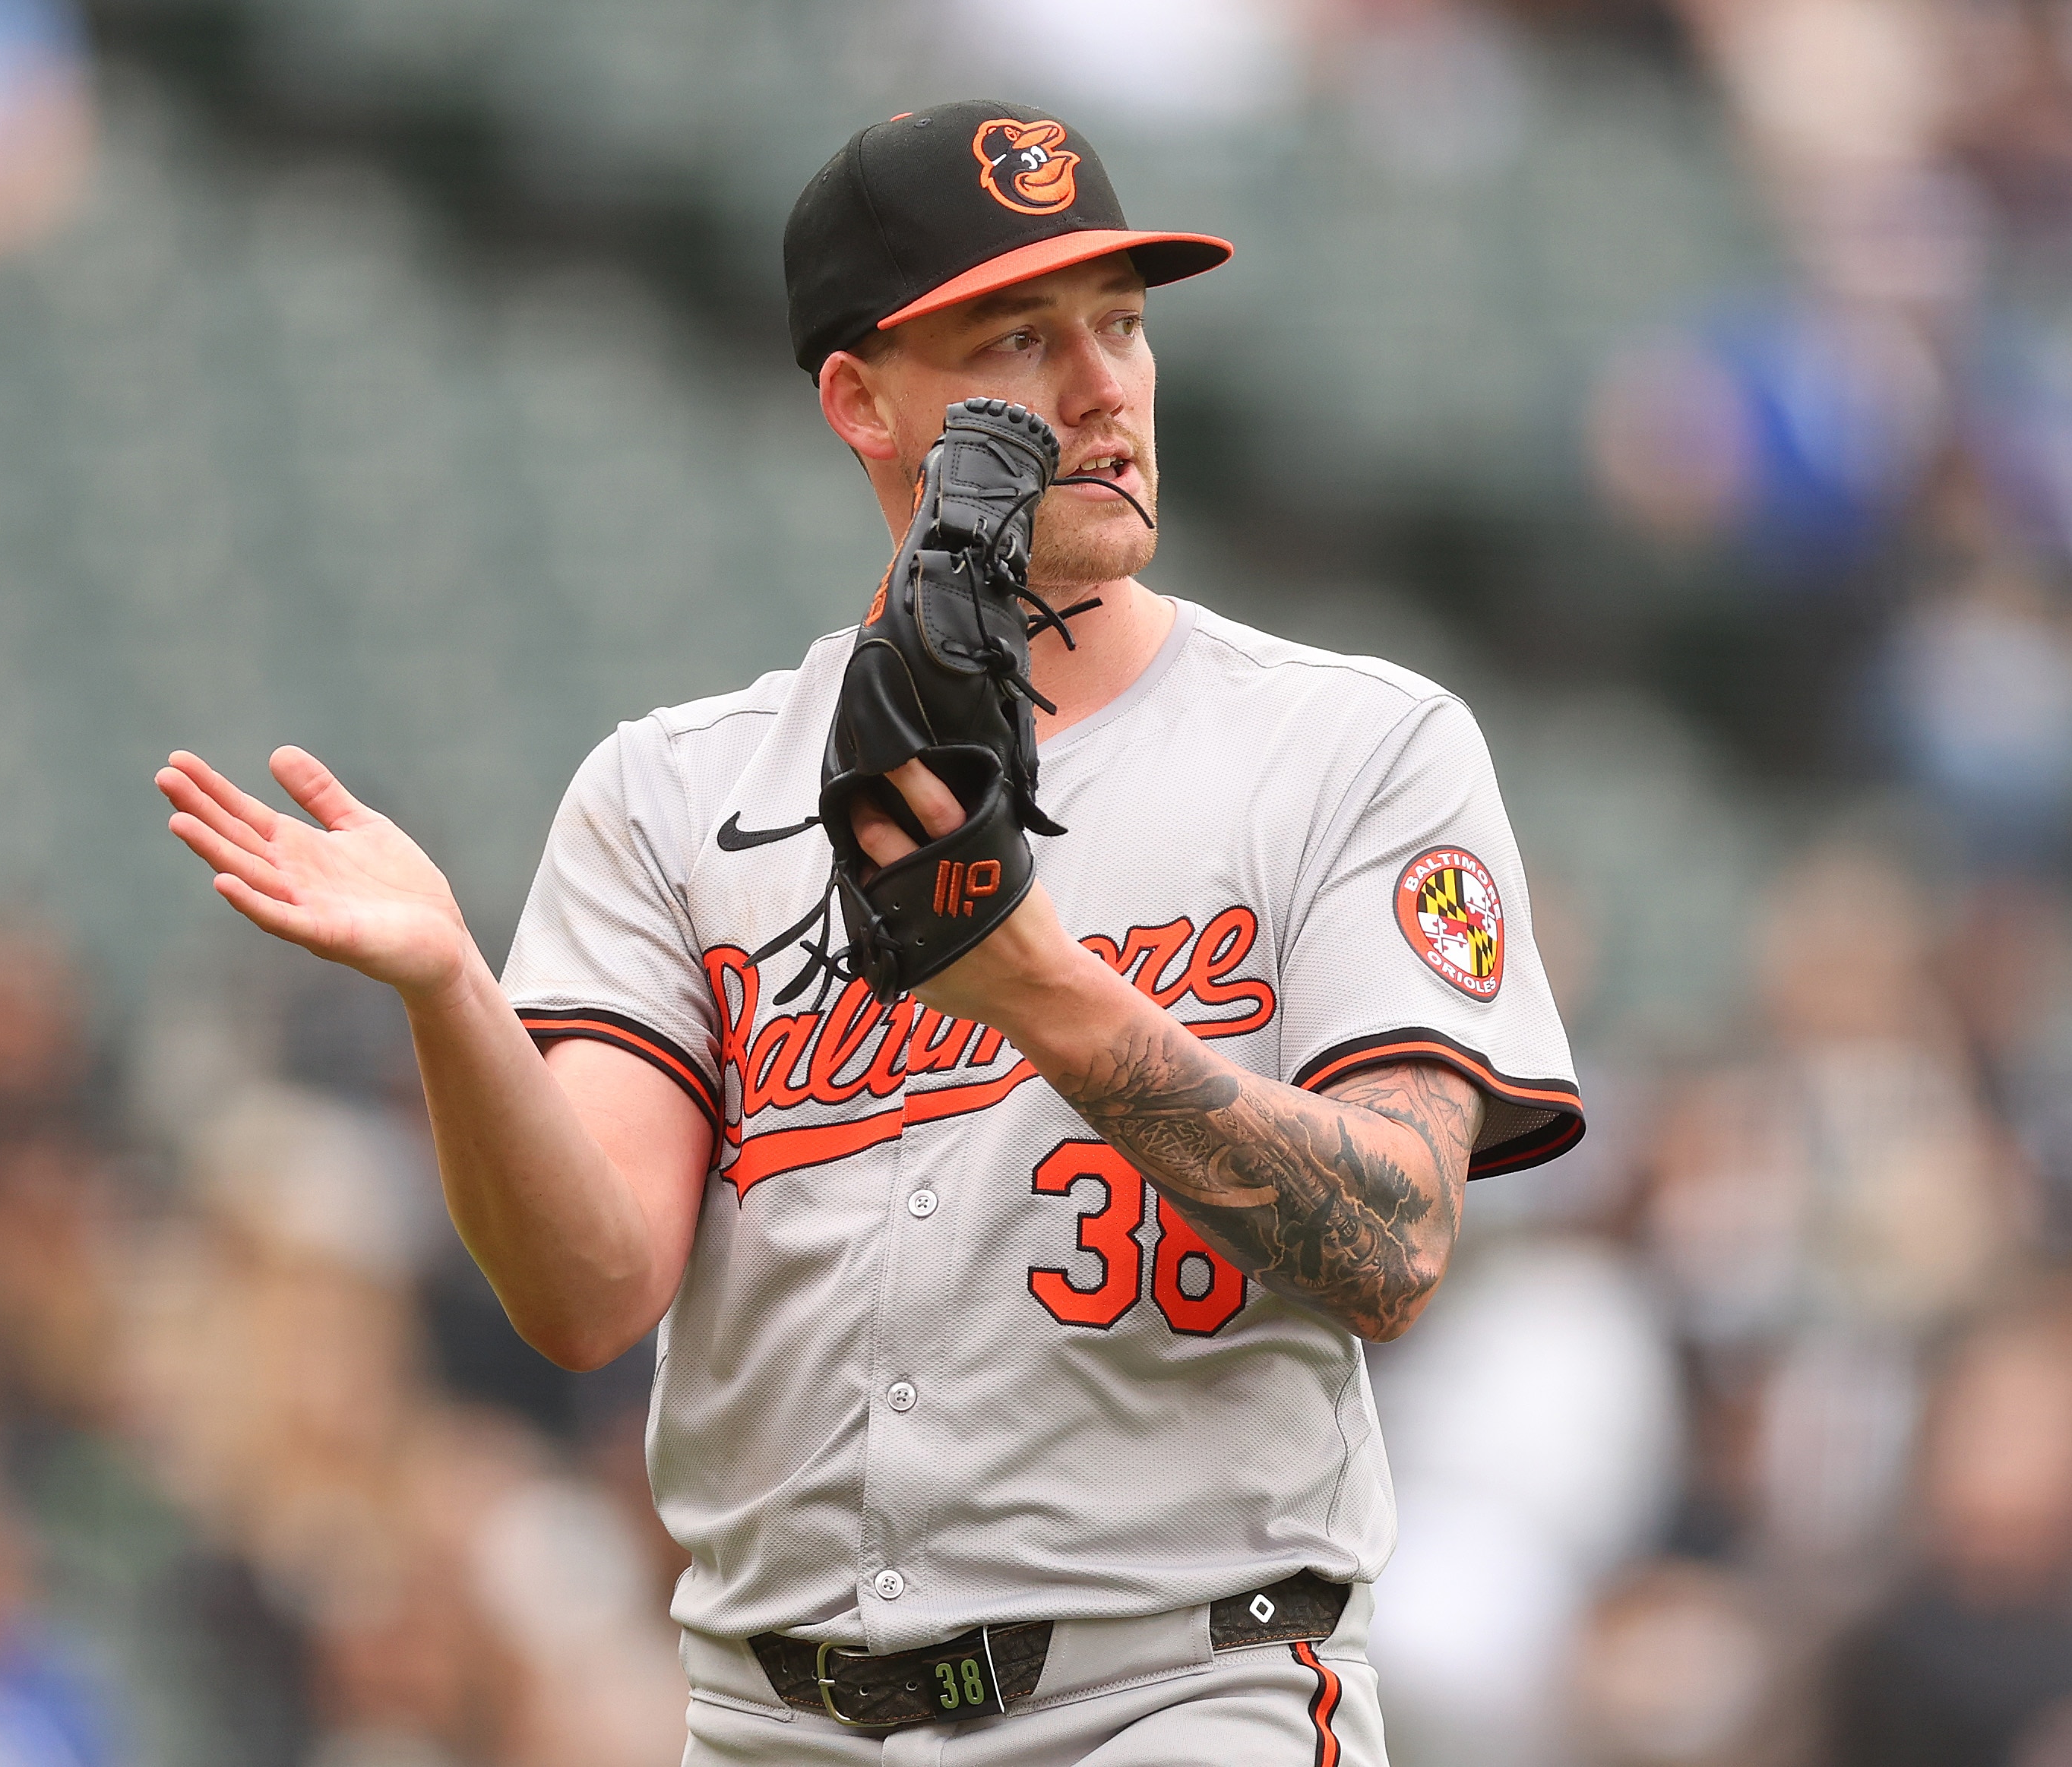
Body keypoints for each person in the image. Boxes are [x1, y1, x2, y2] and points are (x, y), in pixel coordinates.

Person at [155, 98, 1583, 1765]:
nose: (1103, 382)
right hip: (776, 1721)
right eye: (1021, 336)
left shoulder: (1354, 744)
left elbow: (1394, 1243)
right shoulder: (672, 793)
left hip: (1176, 1692)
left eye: (1122, 321)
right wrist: (452, 994)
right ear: (860, 399)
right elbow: (588, 1290)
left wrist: (1044, 992)